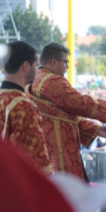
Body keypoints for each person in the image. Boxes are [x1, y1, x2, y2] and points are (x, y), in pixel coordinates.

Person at [25, 42, 106, 181]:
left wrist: (98, 130)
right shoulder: (52, 80)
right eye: (66, 62)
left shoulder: (37, 79)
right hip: (60, 158)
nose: (67, 67)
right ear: (54, 62)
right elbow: (79, 103)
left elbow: (64, 116)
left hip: (49, 151)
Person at [0, 41, 52, 174]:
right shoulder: (24, 106)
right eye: (36, 65)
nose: (38, 70)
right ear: (26, 66)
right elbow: (38, 162)